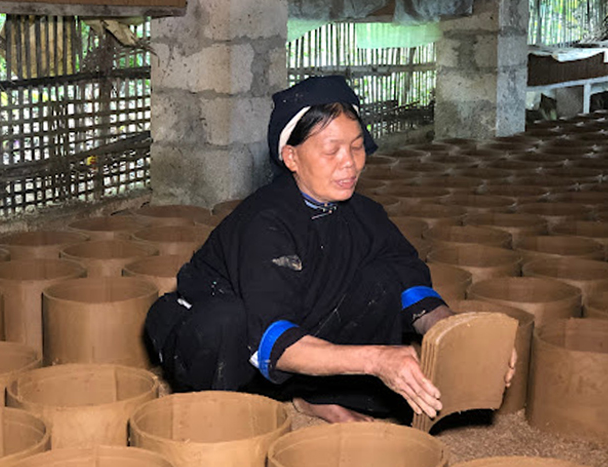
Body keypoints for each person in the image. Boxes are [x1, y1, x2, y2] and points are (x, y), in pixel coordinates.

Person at [145, 75, 515, 424]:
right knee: (225, 322)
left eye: (356, 147)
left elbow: (406, 282)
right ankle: (223, 412)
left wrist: (454, 331)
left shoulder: (364, 214)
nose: (349, 163)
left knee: (382, 280)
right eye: (331, 150)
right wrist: (376, 359)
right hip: (219, 339)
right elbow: (274, 341)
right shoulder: (266, 223)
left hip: (287, 335)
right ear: (291, 158)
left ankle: (315, 396)